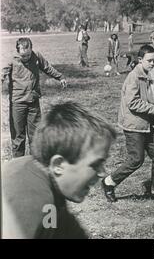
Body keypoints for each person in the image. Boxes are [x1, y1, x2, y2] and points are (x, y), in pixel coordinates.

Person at [2, 101, 116, 238]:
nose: (103, 172)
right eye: (95, 164)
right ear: (58, 165)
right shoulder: (33, 203)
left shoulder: (34, 171)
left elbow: (67, 229)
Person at [101, 45, 154, 202]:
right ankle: (109, 182)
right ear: (140, 60)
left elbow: (145, 98)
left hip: (145, 124)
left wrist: (153, 118)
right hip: (133, 125)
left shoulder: (145, 74)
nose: (152, 63)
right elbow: (133, 103)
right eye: (149, 60)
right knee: (136, 159)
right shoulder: (134, 77)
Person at [1, 38, 67, 158]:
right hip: (18, 103)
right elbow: (1, 74)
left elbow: (47, 68)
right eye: (23, 56)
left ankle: (34, 164)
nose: (26, 58)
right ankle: (19, 165)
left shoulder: (36, 57)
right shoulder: (11, 60)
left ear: (32, 50)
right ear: (18, 51)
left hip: (33, 103)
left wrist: (60, 77)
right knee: (18, 137)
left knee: (36, 135)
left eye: (28, 55)